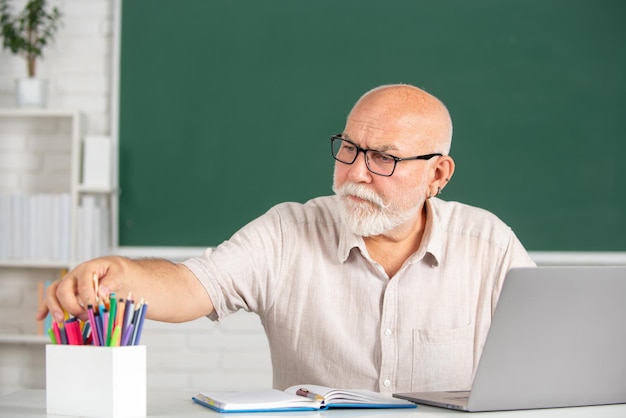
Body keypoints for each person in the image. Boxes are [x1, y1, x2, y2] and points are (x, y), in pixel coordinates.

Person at [37, 83, 535, 394]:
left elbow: (544, 365)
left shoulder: (489, 247)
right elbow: (192, 285)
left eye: (384, 157)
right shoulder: (287, 232)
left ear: (438, 174)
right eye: (349, 149)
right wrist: (122, 275)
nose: (357, 173)